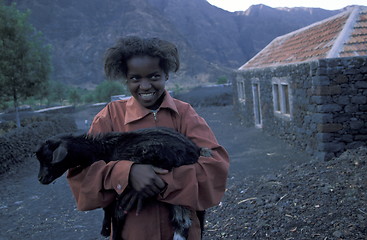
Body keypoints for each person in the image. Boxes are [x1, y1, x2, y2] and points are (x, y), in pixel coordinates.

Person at [67, 36, 229, 240]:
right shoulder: (109, 117)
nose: (145, 86)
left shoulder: (184, 114)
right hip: (132, 233)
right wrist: (126, 174)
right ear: (126, 78)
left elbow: (215, 168)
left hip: (182, 233)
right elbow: (82, 175)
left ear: (166, 75)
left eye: (153, 76)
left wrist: (159, 181)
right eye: (135, 78)